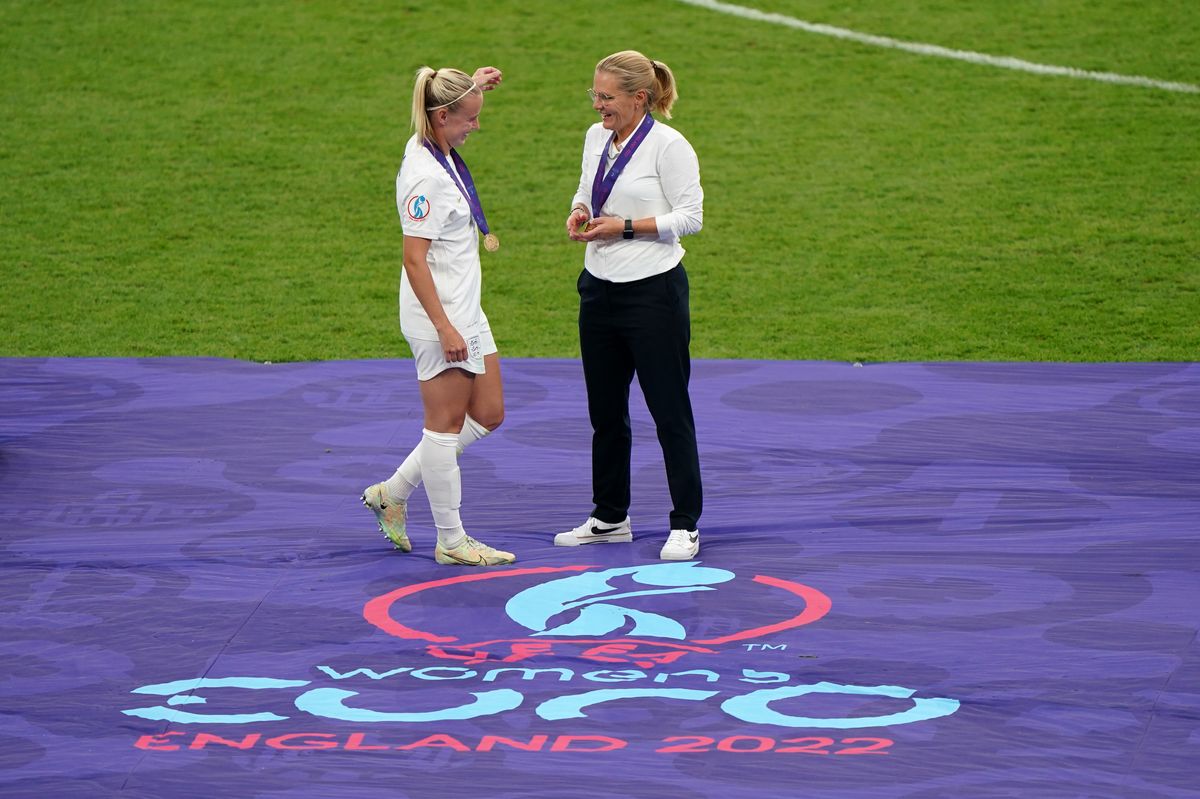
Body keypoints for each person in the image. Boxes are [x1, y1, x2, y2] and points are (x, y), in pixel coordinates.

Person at [361, 65, 515, 567]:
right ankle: (451, 540)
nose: (476, 127)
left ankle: (392, 492)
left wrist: (470, 84)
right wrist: (445, 328)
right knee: (444, 428)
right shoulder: (426, 177)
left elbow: (442, 108)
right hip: (440, 317)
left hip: (465, 308)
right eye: (469, 119)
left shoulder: (432, 146)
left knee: (488, 413)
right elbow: (413, 258)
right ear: (441, 116)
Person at [557, 51, 705, 560]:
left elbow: (691, 218)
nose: (598, 106)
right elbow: (586, 189)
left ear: (639, 98)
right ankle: (609, 517)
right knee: (606, 414)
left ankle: (685, 523)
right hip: (598, 288)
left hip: (653, 293)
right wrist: (580, 212)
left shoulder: (669, 145)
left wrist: (624, 226)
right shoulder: (596, 136)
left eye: (606, 97)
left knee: (669, 411)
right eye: (594, 96)